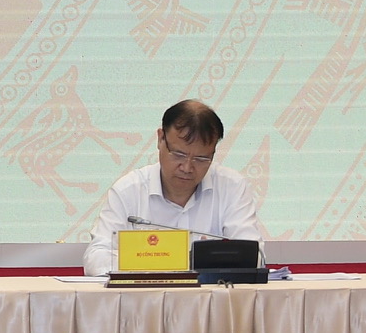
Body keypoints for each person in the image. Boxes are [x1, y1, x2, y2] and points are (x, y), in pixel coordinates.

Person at [83, 99, 264, 276]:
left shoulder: (231, 187)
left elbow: (254, 257)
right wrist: (159, 259)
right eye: (179, 154)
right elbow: (95, 259)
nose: (187, 167)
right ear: (160, 139)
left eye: (201, 159)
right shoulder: (128, 191)